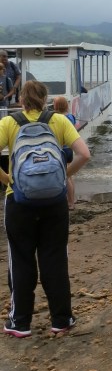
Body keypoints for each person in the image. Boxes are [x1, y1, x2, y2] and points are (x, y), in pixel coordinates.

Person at [0, 80, 91, 338]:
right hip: (54, 202)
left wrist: (8, 179)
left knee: (20, 260)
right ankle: (61, 319)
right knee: (55, 259)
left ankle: (20, 323)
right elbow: (84, 154)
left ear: (21, 100)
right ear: (45, 99)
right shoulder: (59, 121)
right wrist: (63, 177)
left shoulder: (9, 123)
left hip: (18, 202)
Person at [53, 97, 77, 207]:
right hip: (70, 149)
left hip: (62, 149)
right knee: (69, 175)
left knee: (65, 176)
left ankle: (70, 202)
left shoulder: (58, 118)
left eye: (54, 103)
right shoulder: (71, 117)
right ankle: (72, 199)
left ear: (57, 106)